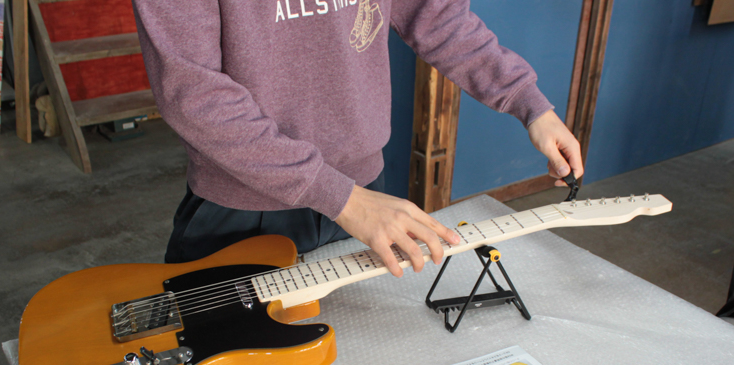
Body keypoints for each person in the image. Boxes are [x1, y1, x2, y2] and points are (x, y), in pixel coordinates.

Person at [133, 0, 583, 277]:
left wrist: (530, 104)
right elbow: (192, 92)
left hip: (367, 194)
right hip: (244, 210)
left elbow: (438, 16)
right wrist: (343, 199)